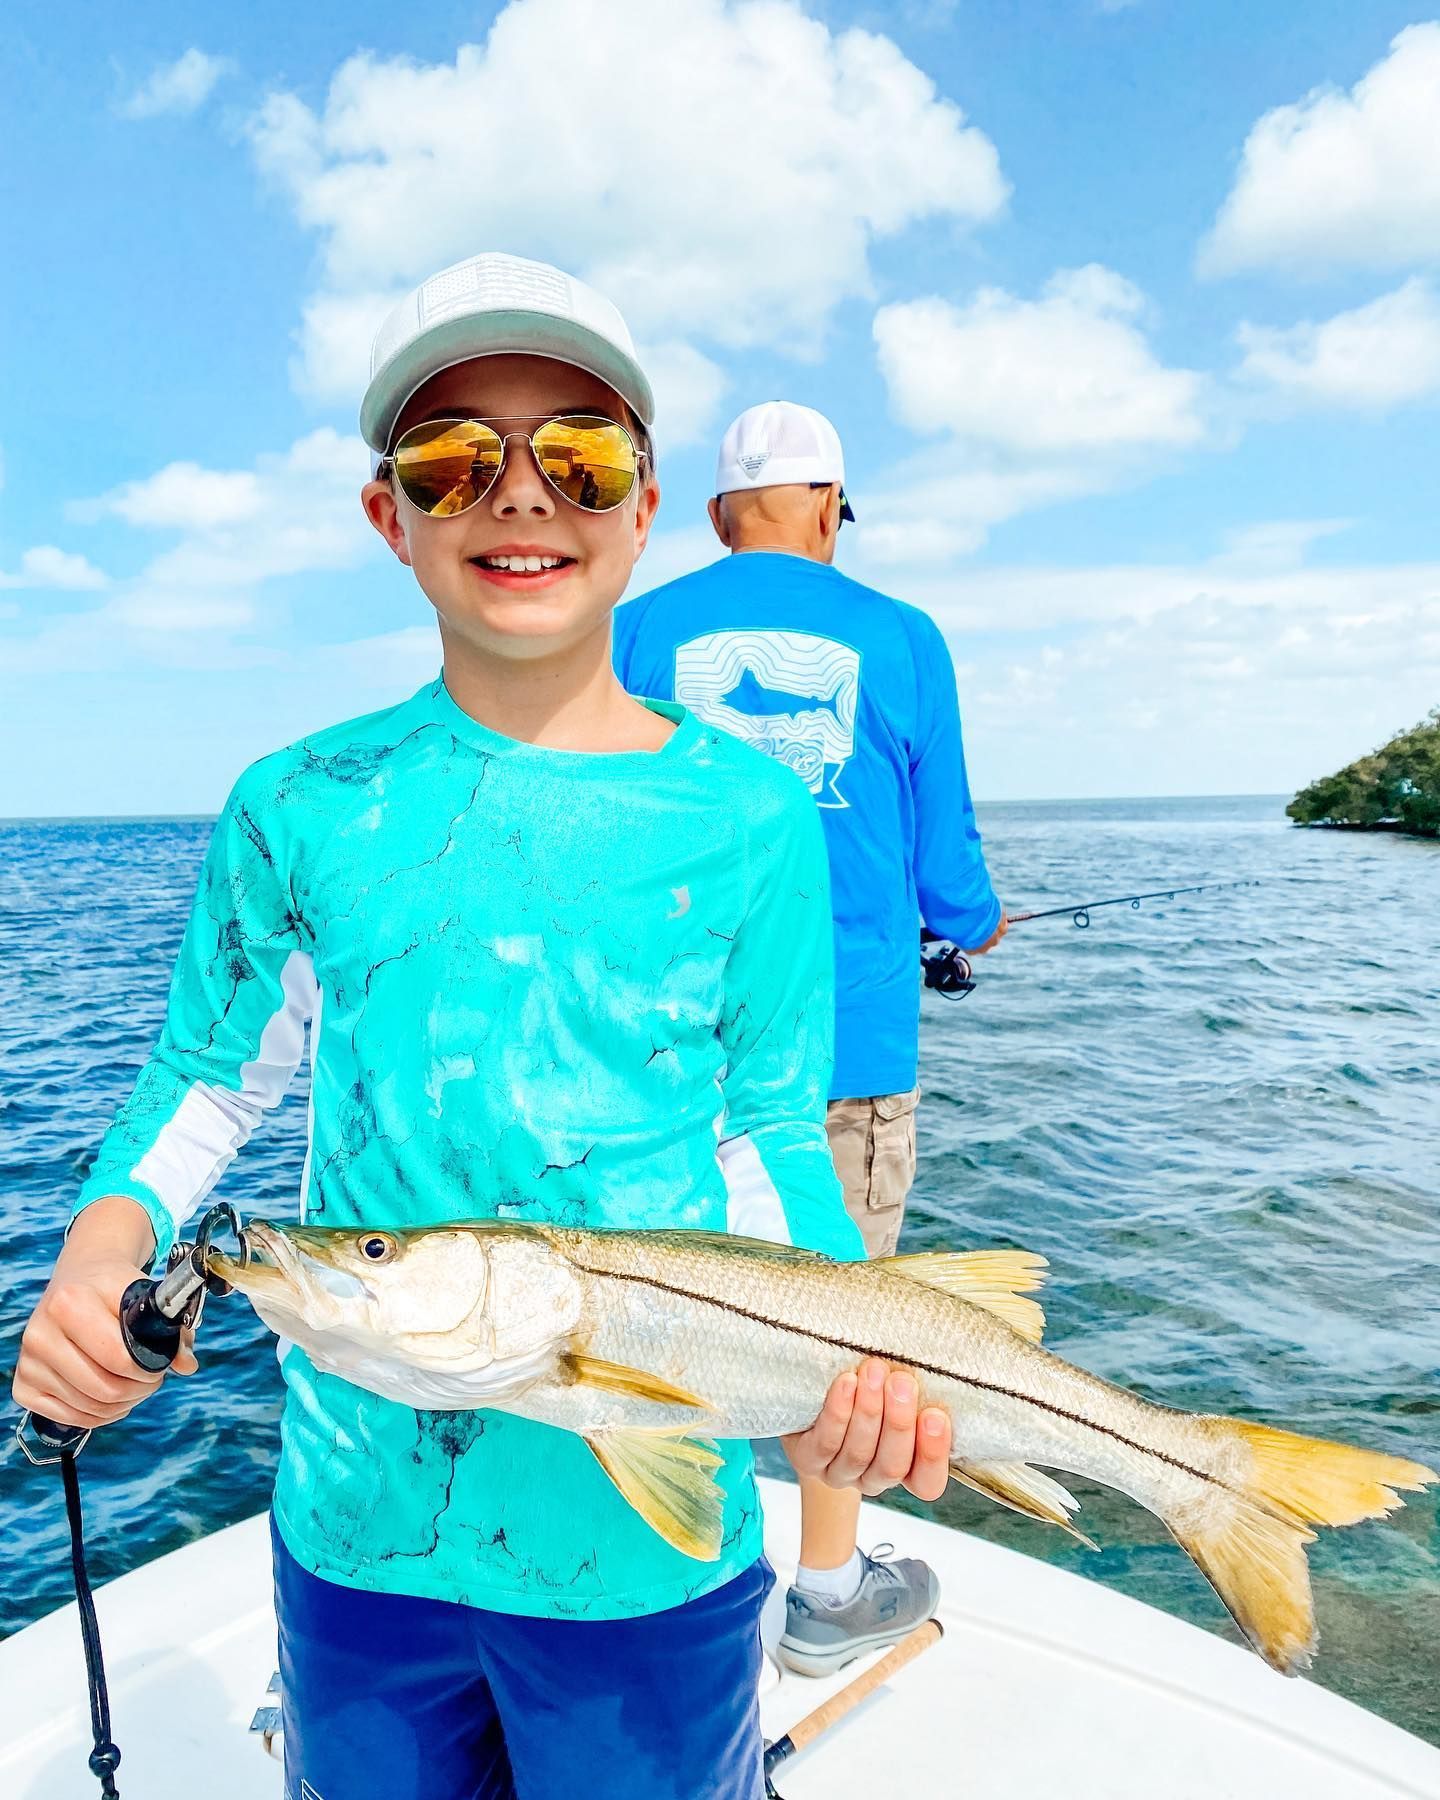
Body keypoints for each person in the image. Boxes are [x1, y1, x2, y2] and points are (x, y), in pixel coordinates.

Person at [12, 257, 953, 1800]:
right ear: (393, 519)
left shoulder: (752, 817)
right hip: (355, 1526)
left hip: (651, 1549)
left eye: (576, 455)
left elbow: (763, 1127)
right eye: (456, 462)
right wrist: (101, 1256)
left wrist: (850, 1358)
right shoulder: (298, 802)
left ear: (644, 505)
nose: (522, 499)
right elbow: (206, 1084)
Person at [613, 399, 1006, 1678]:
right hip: (841, 1063)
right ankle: (827, 1593)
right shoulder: (901, 637)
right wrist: (972, 926)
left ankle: (670, 1584)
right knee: (842, 1335)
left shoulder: (633, 629)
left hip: (657, 1059)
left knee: (662, 1317)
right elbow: (950, 873)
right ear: (834, 508)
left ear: (719, 517)